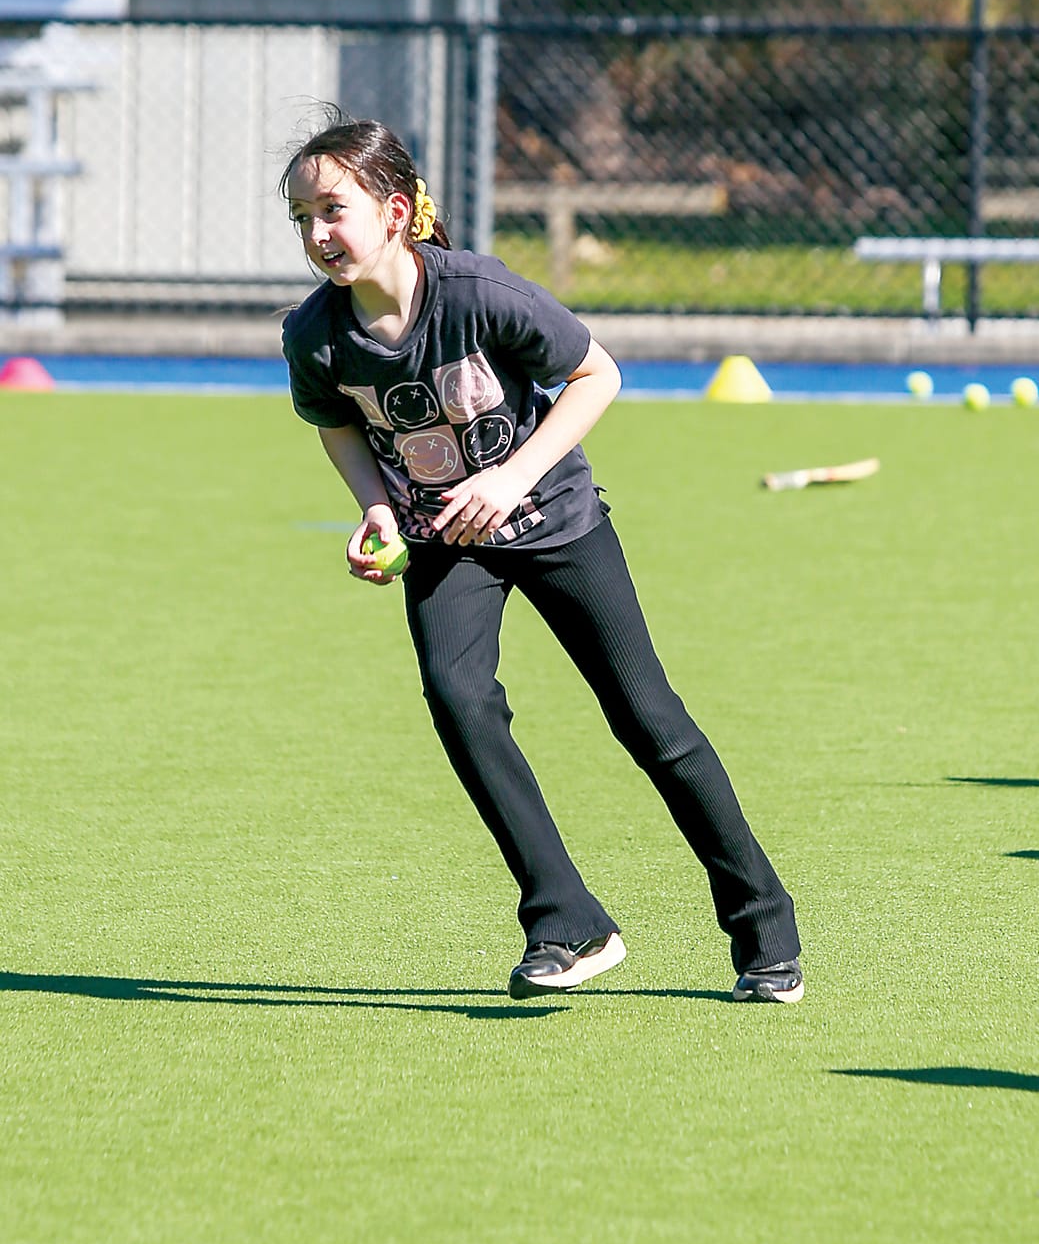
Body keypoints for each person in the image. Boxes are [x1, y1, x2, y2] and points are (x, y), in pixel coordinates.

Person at [279, 108, 804, 1004]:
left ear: (396, 210)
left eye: (334, 209)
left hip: (556, 523)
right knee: (458, 698)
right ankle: (566, 919)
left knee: (649, 722)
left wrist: (511, 478)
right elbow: (338, 430)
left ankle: (763, 927)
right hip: (446, 544)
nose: (319, 234)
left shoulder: (482, 292)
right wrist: (375, 511)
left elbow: (597, 374)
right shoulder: (314, 336)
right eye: (302, 219)